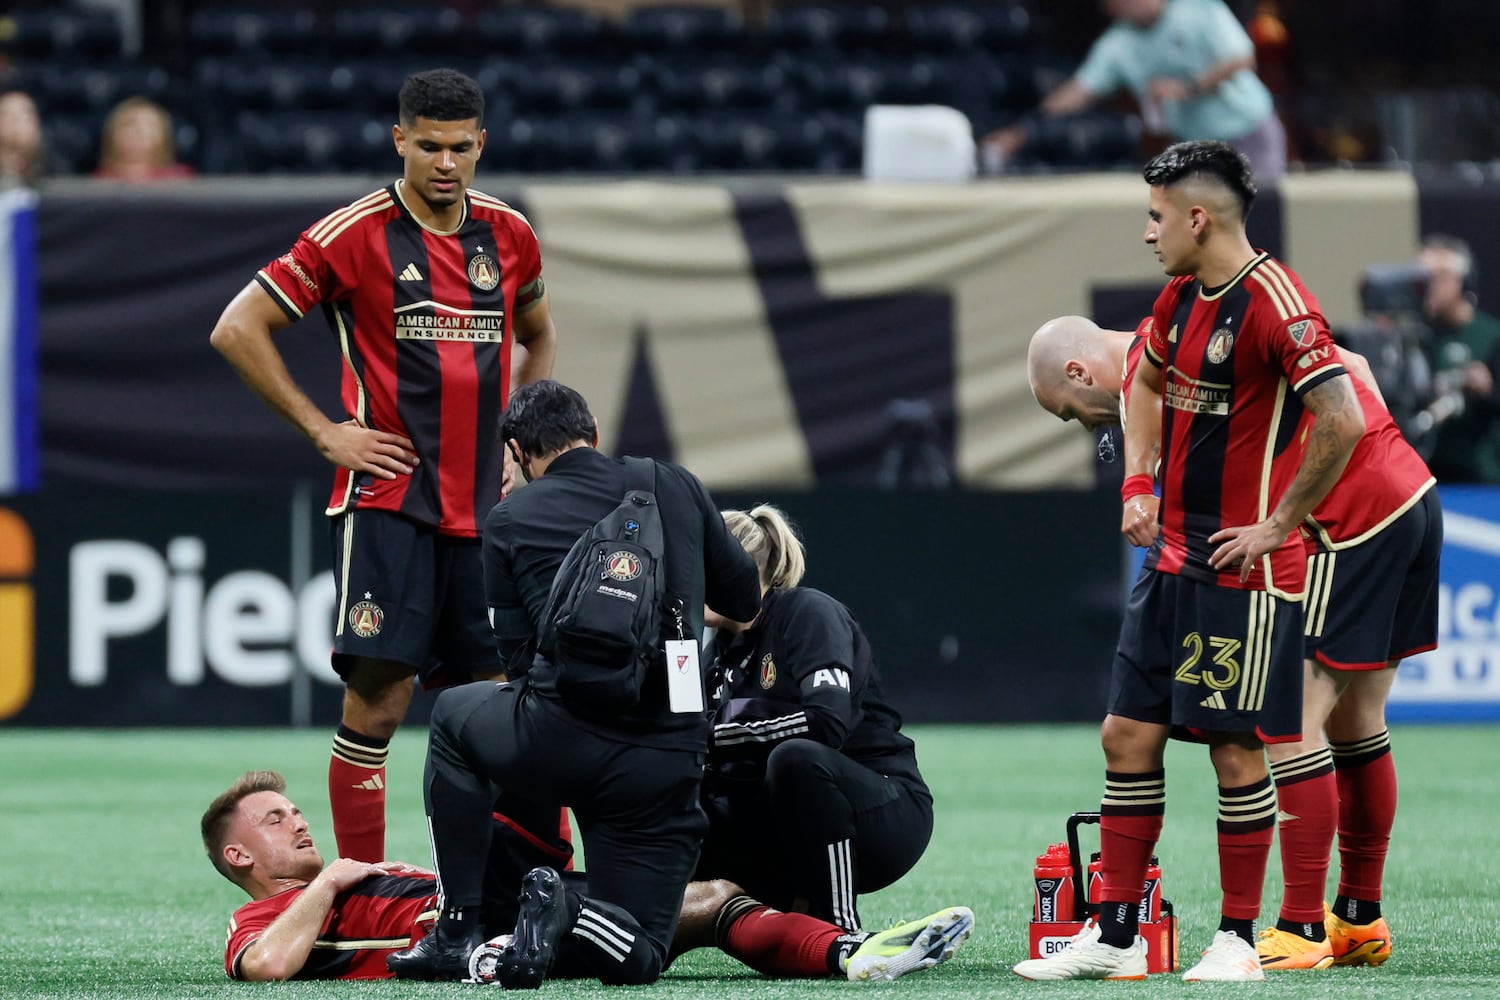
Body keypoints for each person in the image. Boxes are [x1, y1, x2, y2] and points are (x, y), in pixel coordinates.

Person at [1013, 141, 1364, 983]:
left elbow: (1342, 416)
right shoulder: (1178, 299)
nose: (1148, 233)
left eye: (1156, 216)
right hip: (1168, 562)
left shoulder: (1279, 303)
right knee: (1126, 734)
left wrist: (1279, 523)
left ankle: (1238, 940)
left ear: (1196, 218)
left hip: (1239, 571)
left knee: (1233, 749)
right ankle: (1118, 933)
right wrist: (1136, 482)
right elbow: (1141, 382)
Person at [209, 68, 559, 865]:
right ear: (398, 140)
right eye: (428, 147)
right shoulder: (352, 233)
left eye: (460, 148)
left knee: (511, 706)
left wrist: (519, 442)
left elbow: (538, 335)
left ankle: (545, 884)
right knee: (379, 699)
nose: (445, 163)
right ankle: (363, 884)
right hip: (390, 502)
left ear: (482, 145)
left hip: (488, 513)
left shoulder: (509, 233)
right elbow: (237, 328)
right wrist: (325, 431)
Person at [1026, 314, 1441, 971]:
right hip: (1408, 494)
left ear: (1078, 373)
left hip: (1340, 517)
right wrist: (1375, 455)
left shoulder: (1161, 362)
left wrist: (1317, 496)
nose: (1086, 426)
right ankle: (1359, 918)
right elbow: (1356, 370)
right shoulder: (1196, 337)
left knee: (1291, 724)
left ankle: (1301, 927)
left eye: (1070, 412)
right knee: (1358, 721)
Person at [386, 379, 761, 986]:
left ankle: (457, 930)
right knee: (638, 952)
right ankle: (570, 908)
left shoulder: (509, 518)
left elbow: (516, 658)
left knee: (454, 718)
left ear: (518, 451)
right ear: (592, 434)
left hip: (557, 735)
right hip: (665, 756)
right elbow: (743, 600)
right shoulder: (675, 485)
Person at [202, 770, 966, 985]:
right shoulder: (261, 921)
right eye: (274, 819)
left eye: (294, 810)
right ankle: (543, 921)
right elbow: (266, 967)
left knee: (710, 901)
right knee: (495, 775)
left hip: (509, 915)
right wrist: (329, 882)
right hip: (471, 942)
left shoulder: (372, 873)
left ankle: (848, 954)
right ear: (239, 858)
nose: (298, 820)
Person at [696, 504, 943, 937]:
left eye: (701, 567)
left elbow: (826, 724)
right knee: (686, 790)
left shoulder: (808, 614)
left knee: (795, 759)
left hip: (882, 808)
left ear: (735, 572)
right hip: (785, 817)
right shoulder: (717, 650)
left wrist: (714, 737)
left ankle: (839, 927)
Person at [983, 0, 1286, 180]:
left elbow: (1243, 58)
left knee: (1261, 222)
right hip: (1197, 148)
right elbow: (1077, 91)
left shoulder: (1198, 8)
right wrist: (1019, 133)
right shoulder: (1117, 45)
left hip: (1250, 132)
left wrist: (1188, 88)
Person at [1418, 233, 1500, 483]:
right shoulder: (1416, 336)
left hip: (1479, 475)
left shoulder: (1491, 336)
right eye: (1423, 278)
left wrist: (1487, 390)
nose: (1429, 286)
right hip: (1426, 470)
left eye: (1439, 278)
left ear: (1463, 282)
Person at [93, 97, 196, 182]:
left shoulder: (179, 179)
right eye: (130, 124)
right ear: (113, 134)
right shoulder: (97, 182)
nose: (139, 131)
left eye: (149, 125)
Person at [0, 90, 46, 186]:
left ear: (35, 122)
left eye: (21, 116)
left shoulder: (53, 165)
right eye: (6, 115)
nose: (14, 123)